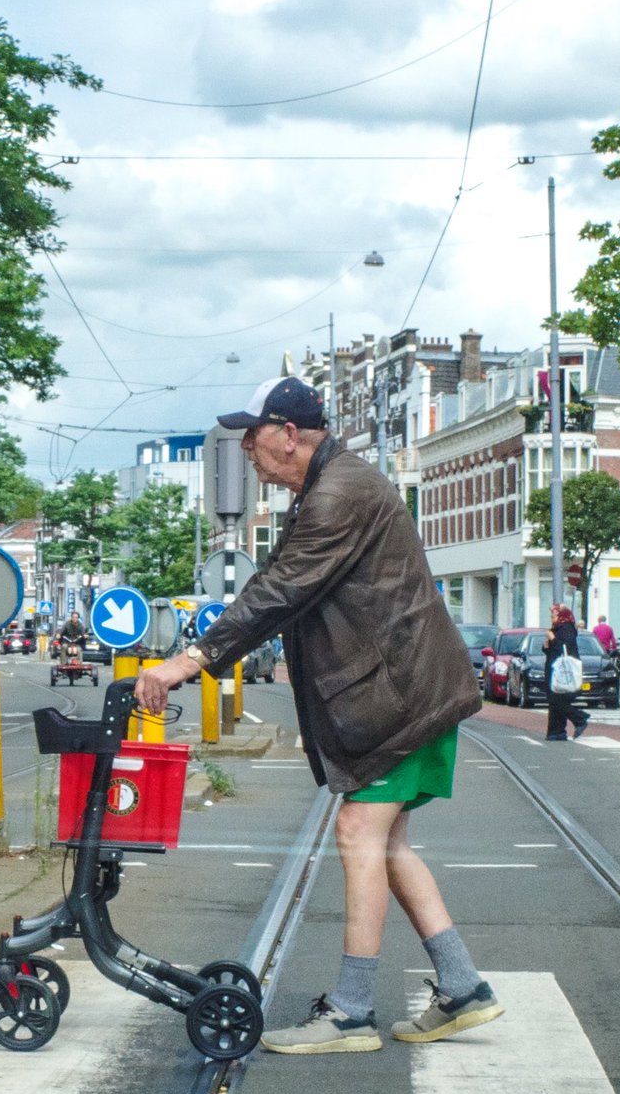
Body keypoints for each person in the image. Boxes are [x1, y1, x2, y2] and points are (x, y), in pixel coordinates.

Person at [135, 375, 501, 1056]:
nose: (246, 448)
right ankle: (462, 988)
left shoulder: (340, 494)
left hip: (404, 695)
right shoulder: (322, 492)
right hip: (406, 690)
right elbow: (270, 584)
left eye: (255, 435)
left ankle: (352, 1012)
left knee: (361, 830)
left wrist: (187, 662)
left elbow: (277, 592)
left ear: (290, 434)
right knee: (386, 844)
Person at [544, 603, 589, 741]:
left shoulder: (566, 628)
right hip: (556, 670)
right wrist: (546, 646)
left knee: (556, 699)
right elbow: (552, 650)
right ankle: (556, 732)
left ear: (561, 616)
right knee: (555, 700)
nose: (552, 617)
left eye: (554, 614)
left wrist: (552, 639)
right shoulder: (558, 628)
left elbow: (564, 648)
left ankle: (580, 718)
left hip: (563, 671)